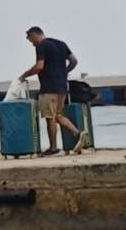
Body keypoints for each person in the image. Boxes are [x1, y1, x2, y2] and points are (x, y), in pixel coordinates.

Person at [20, 26, 83, 155]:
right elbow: (74, 61)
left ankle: (53, 147)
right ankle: (78, 133)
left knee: (50, 118)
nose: (32, 44)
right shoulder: (61, 44)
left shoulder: (41, 45)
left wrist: (24, 75)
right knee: (58, 115)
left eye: (31, 40)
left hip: (49, 87)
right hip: (62, 87)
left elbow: (39, 66)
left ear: (35, 35)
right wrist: (64, 71)